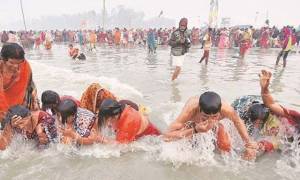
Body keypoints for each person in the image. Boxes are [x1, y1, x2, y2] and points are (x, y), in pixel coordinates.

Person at [163, 91, 258, 160]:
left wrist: (248, 144)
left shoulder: (227, 110)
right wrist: (195, 130)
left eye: (215, 116)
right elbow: (166, 137)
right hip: (192, 125)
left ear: (220, 111)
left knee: (225, 147)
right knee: (184, 150)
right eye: (205, 117)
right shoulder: (190, 111)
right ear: (199, 109)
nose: (210, 120)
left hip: (216, 125)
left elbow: (238, 122)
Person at [0, 43, 39, 122]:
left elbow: (30, 84)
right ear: (3, 59)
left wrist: (35, 100)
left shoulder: (25, 65)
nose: (15, 66)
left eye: (18, 63)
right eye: (11, 63)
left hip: (20, 104)